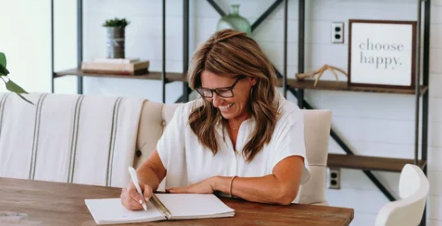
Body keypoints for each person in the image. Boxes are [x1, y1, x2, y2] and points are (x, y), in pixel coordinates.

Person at [121, 29, 310, 210]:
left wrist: (216, 183)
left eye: (224, 91)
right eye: (207, 92)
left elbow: (284, 190)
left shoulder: (285, 116)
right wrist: (138, 185)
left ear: (252, 77)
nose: (216, 102)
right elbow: (154, 168)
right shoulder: (188, 115)